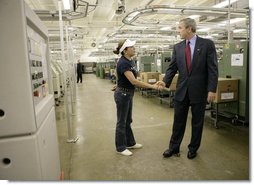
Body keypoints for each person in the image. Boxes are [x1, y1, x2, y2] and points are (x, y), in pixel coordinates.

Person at [156, 18, 218, 159]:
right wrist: (165, 82)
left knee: (197, 122)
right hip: (182, 90)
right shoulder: (177, 47)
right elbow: (172, 68)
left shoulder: (207, 44)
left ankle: (193, 148)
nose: (178, 31)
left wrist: (212, 89)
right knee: (178, 121)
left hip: (199, 90)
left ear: (189, 29)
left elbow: (213, 69)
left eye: (180, 28)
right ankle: (173, 147)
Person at [113, 39, 158, 156]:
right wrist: (152, 86)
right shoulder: (123, 62)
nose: (134, 48)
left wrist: (118, 84)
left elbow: (130, 78)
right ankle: (120, 147)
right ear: (125, 50)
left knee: (128, 120)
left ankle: (130, 142)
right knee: (121, 122)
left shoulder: (131, 61)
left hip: (128, 93)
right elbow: (134, 81)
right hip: (123, 94)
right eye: (131, 47)